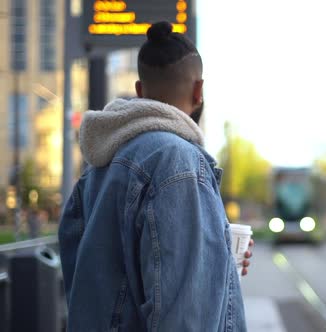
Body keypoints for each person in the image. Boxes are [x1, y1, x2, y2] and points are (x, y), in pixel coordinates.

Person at [58, 22, 251, 331]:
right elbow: (187, 317)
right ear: (199, 90)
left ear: (139, 90)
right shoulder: (179, 164)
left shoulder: (97, 171)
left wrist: (218, 256)